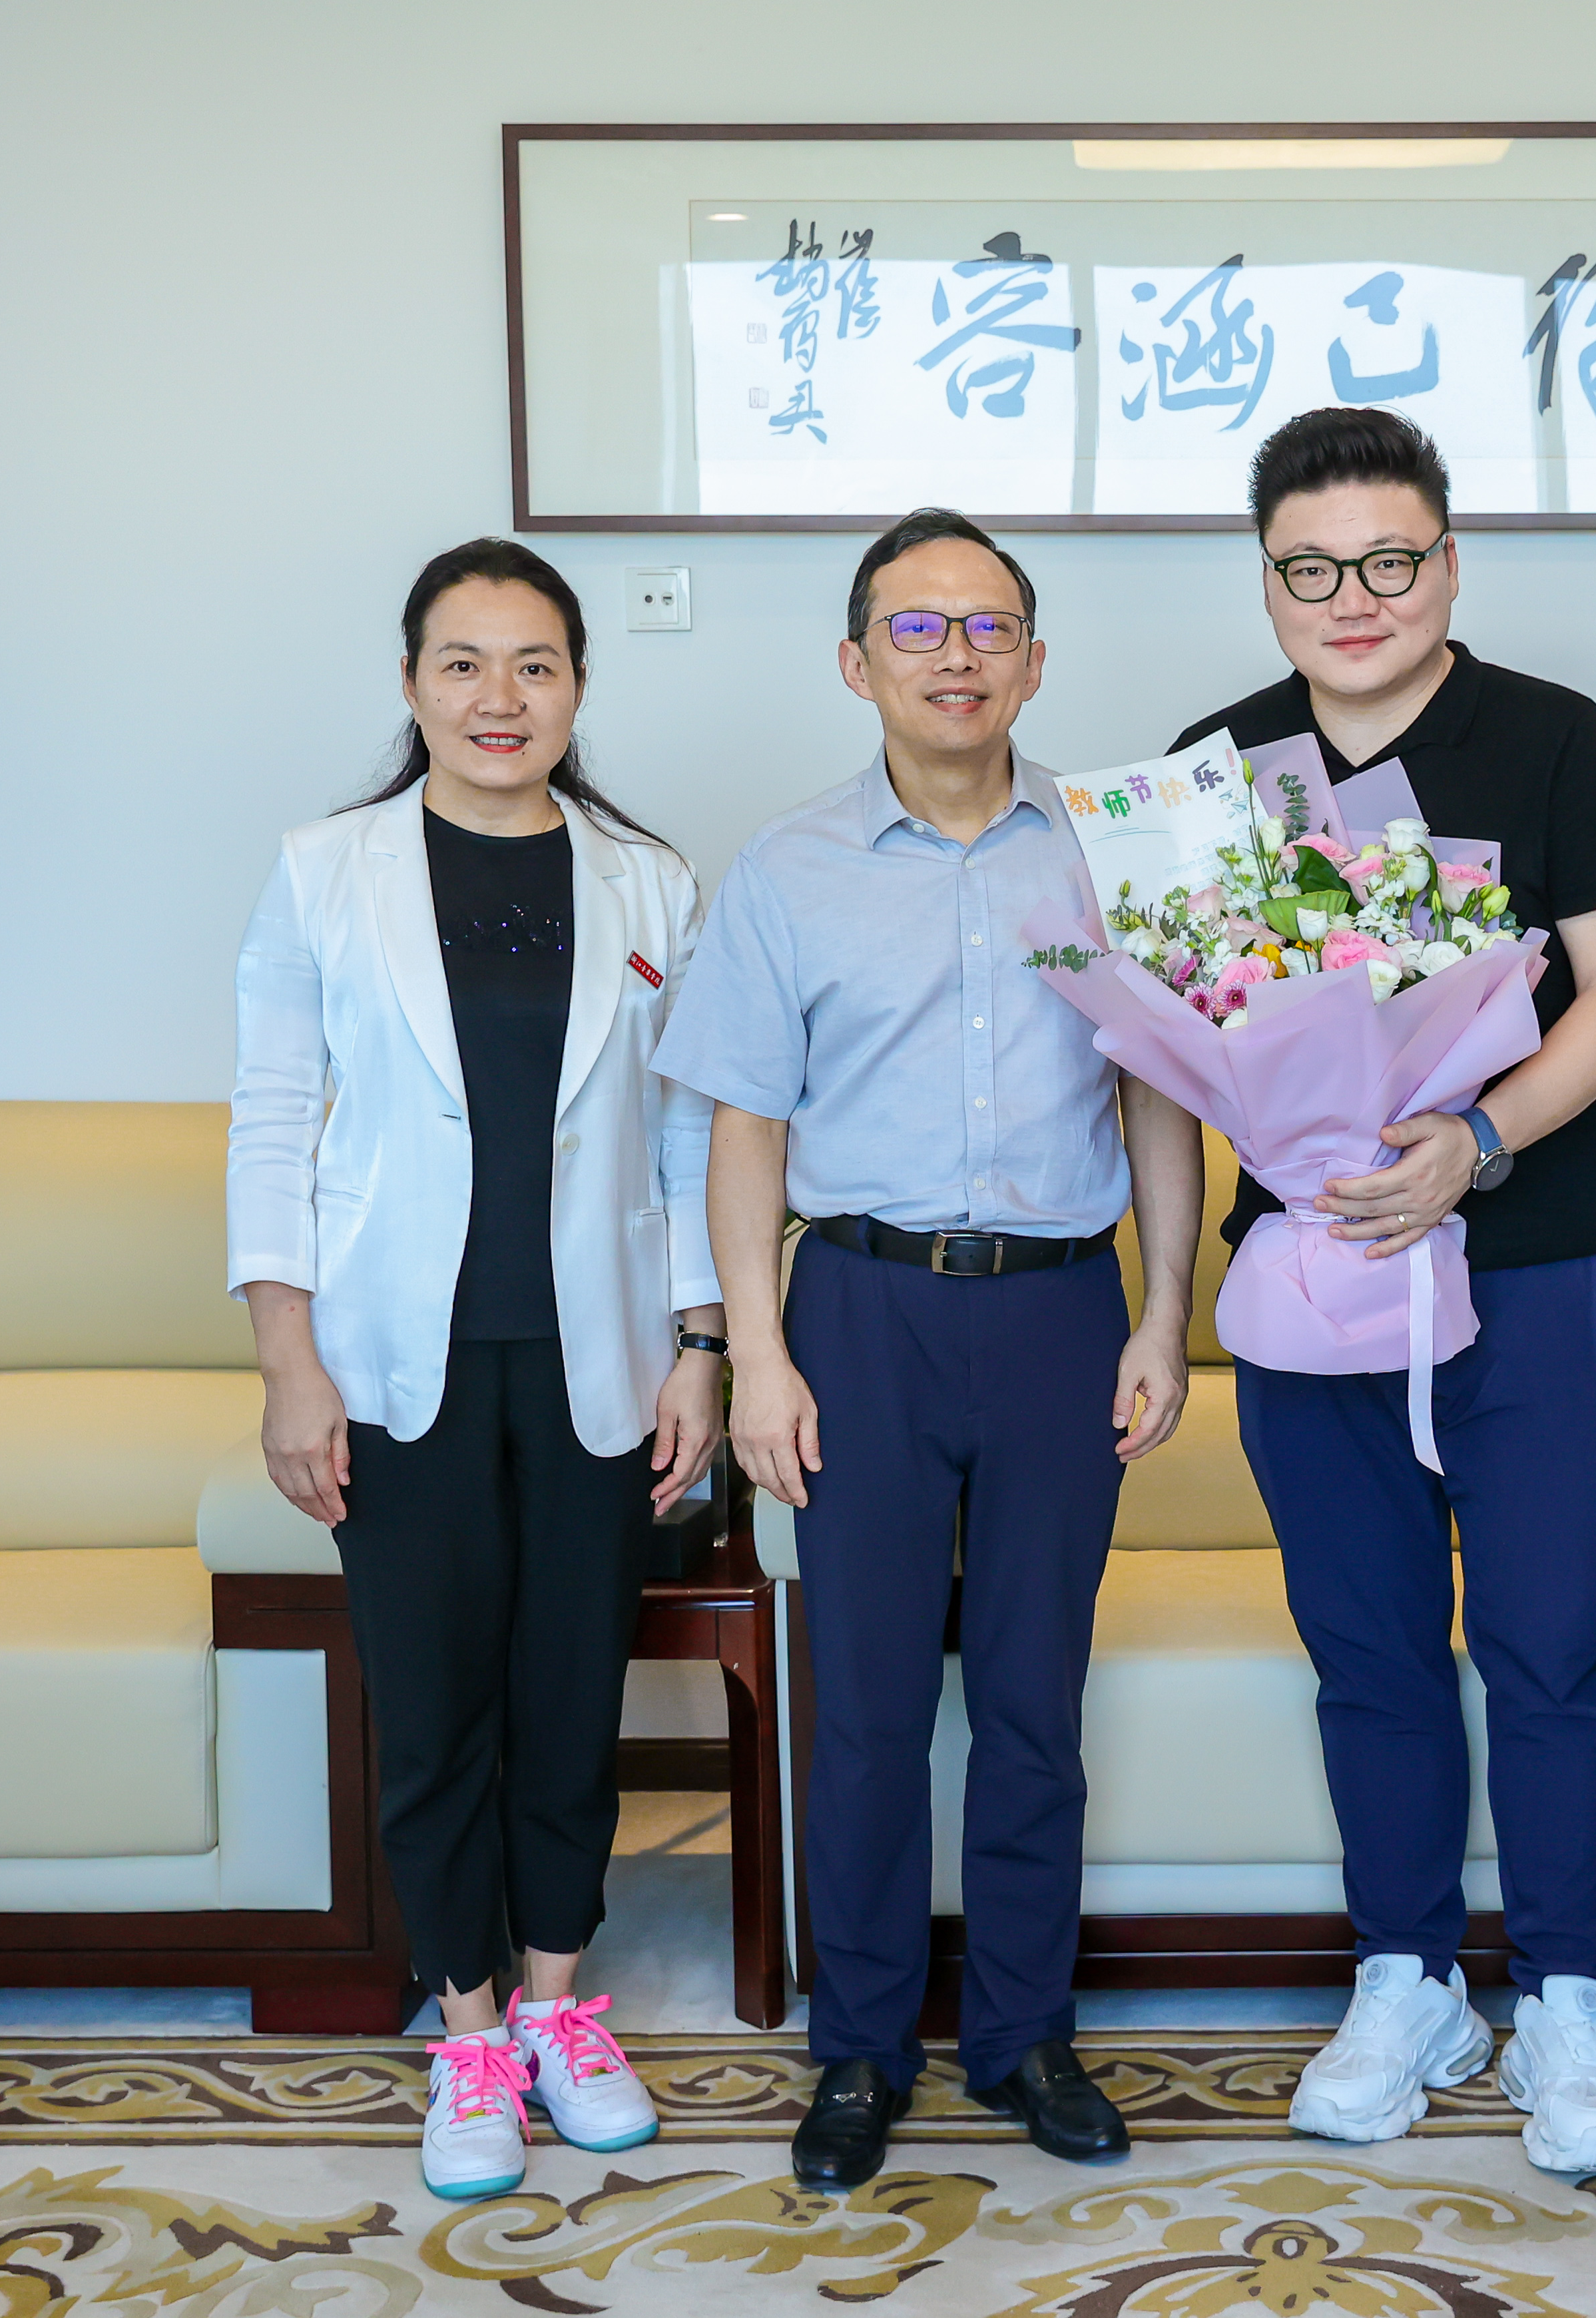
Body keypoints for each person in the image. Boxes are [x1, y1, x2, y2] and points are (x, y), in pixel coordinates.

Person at [655, 507, 1205, 2189]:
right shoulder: (786, 868)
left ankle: (1025, 2035)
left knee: (1036, 1698)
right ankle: (862, 2046)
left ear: (1035, 662)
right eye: (916, 626)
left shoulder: (1113, 854)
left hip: (1059, 1311)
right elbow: (741, 1126)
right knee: (870, 1706)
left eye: (988, 627)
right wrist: (757, 1352)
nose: (954, 655)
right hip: (860, 1313)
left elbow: (1161, 1097)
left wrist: (1161, 1315)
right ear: (855, 661)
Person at [1172, 408, 1596, 2177]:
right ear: (1267, 583)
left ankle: (1567, 1999)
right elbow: (1175, 1038)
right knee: (1367, 1649)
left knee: (1548, 1645)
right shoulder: (1215, 768)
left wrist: (1478, 1136)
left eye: (1389, 559)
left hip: (1527, 1267)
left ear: (1447, 564)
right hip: (1313, 1275)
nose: (1353, 596)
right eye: (1310, 568)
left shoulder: (1556, 738)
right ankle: (1407, 1978)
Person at [228, 537, 725, 2201]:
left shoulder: (649, 880)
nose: (498, 696)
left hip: (599, 1355)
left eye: (534, 664)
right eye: (463, 661)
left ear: (577, 684)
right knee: (437, 1709)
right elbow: (273, 1125)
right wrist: (289, 1363)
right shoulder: (323, 871)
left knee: (571, 1699)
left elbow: (688, 1133)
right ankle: (467, 2031)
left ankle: (563, 2010)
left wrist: (702, 1347)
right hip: (391, 1364)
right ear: (410, 682)